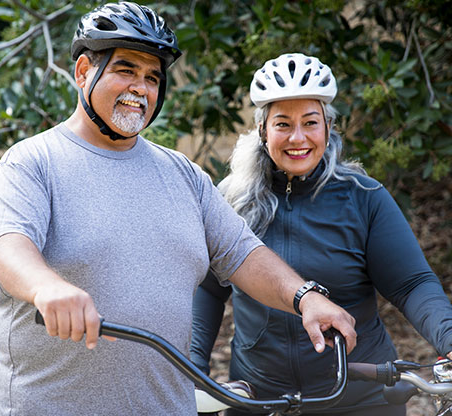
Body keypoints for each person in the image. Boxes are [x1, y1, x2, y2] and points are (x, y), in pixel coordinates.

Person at [0, 4, 357, 414]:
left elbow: (242, 253)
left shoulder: (182, 174)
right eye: (126, 70)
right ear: (84, 70)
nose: (140, 88)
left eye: (152, 77)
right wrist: (45, 286)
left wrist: (304, 297)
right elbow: (6, 245)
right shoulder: (32, 162)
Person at [191, 52, 452, 416]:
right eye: (283, 124)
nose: (298, 138)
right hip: (259, 399)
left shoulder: (363, 197)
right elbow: (208, 289)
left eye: (310, 122)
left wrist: (449, 337)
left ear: (328, 128)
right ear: (263, 131)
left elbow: (411, 284)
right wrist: (191, 371)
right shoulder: (230, 199)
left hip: (360, 398)